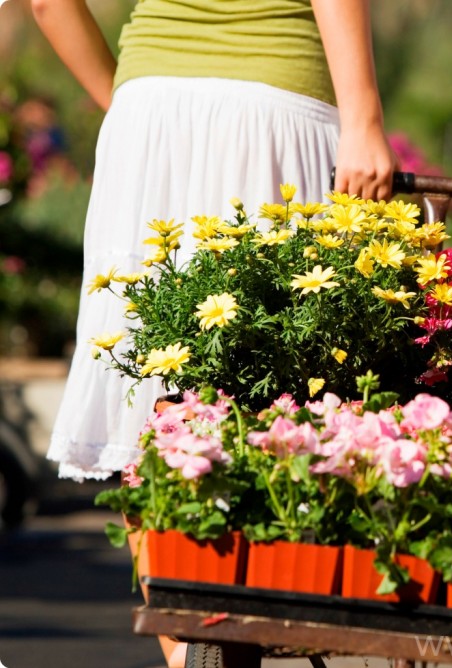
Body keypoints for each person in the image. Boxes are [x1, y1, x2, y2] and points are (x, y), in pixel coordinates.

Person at [31, 0, 396, 664]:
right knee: (282, 396)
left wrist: (130, 100)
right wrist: (365, 119)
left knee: (151, 405)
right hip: (274, 109)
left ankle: (184, 652)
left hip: (147, 117)